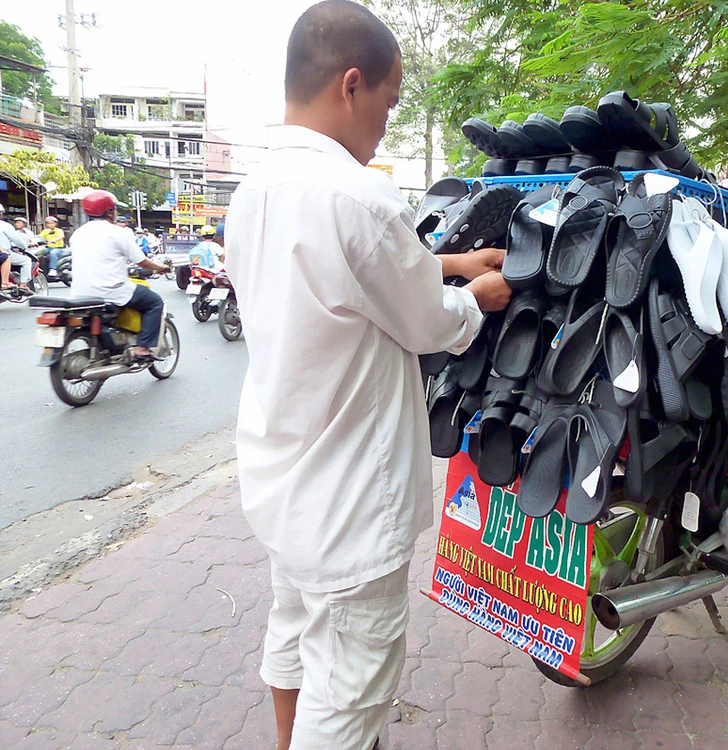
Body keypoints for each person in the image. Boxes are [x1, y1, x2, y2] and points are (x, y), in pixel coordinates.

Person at [225, 3, 511, 748]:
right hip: (351, 503)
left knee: (290, 642)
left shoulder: (252, 193)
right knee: (349, 698)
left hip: (284, 484)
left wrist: (443, 264)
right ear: (351, 86)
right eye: (386, 105)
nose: (384, 124)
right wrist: (474, 295)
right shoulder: (361, 197)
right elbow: (431, 324)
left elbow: (338, 279)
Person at [70, 190, 171, 361]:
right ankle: (142, 348)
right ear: (109, 211)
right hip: (111, 291)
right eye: (115, 209)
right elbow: (142, 261)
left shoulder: (77, 233)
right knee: (154, 303)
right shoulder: (117, 232)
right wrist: (159, 267)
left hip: (81, 293)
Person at [0, 204, 31, 295]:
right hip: (4, 251)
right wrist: (24, 246)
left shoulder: (27, 232)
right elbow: (17, 240)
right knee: (26, 260)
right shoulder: (5, 226)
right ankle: (22, 285)